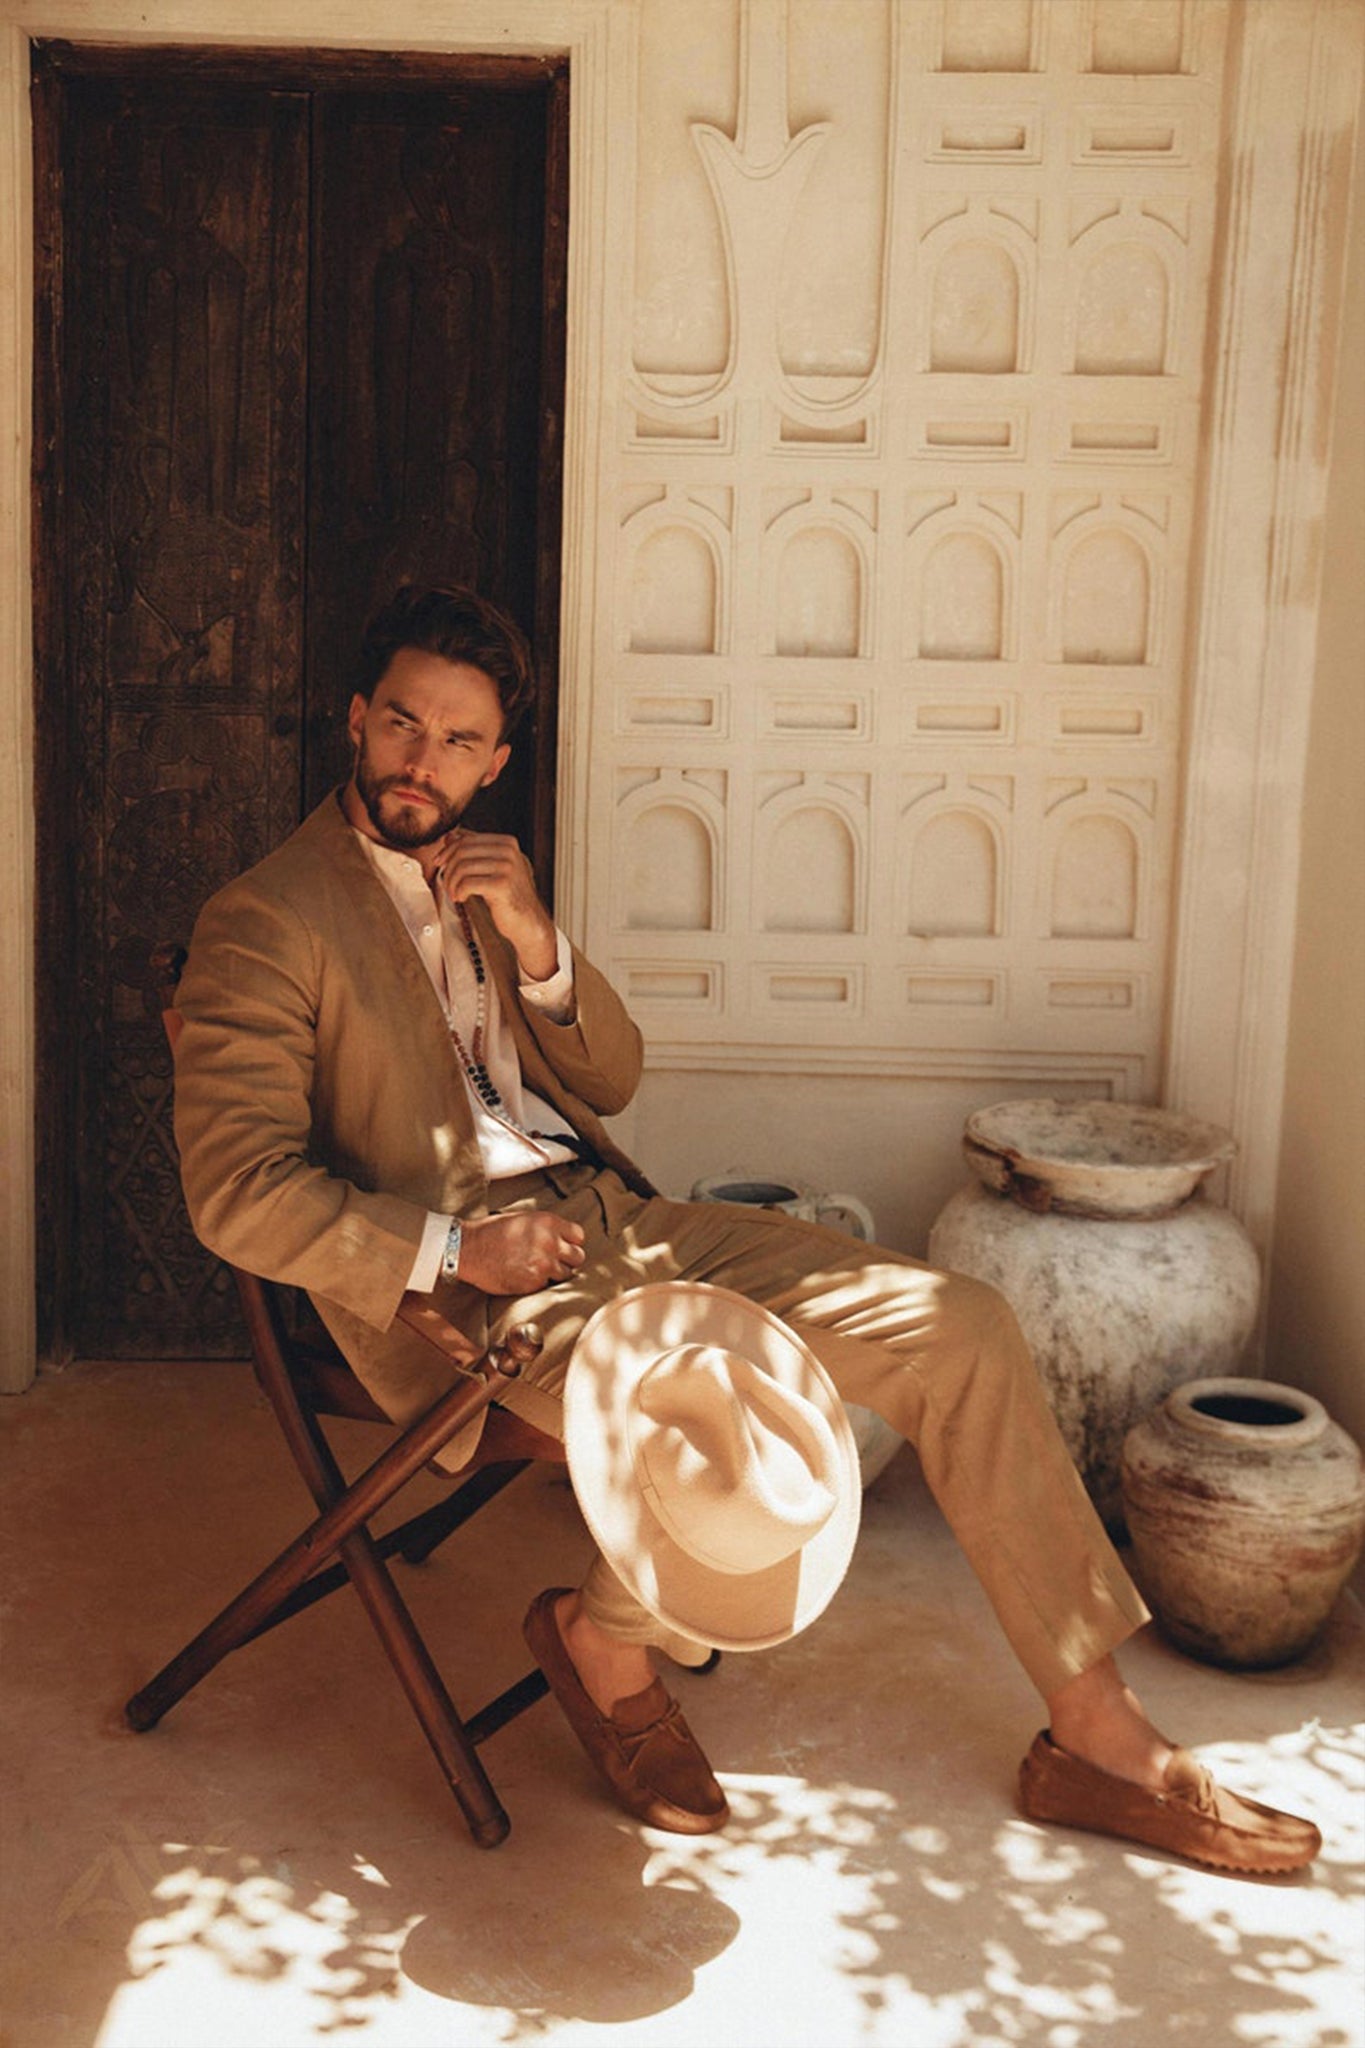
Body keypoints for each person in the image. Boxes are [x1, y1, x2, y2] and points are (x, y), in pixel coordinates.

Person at [173, 585, 1319, 1871]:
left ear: (495, 761)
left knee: (959, 1326)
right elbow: (236, 1189)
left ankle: (1093, 1734)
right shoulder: (270, 917)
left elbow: (608, 1081)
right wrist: (454, 1250)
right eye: (400, 724)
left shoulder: (486, 882)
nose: (419, 762)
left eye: (455, 742)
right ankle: (608, 1637)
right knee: (715, 1402)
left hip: (614, 1219)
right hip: (470, 1286)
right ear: (355, 721)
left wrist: (540, 942)